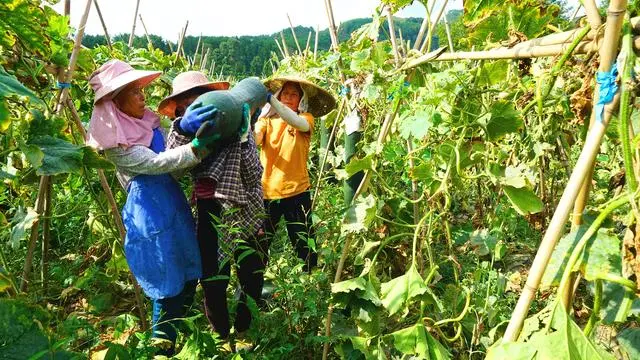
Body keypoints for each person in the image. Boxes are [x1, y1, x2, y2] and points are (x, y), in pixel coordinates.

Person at [86, 60, 219, 354]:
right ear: (115, 101)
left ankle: (177, 337)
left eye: (139, 90)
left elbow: (175, 156)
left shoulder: (147, 122)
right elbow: (156, 164)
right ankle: (161, 349)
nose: (142, 96)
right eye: (133, 92)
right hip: (150, 215)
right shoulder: (116, 144)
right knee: (167, 284)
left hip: (172, 206)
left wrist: (190, 129)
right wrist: (198, 148)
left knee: (188, 275)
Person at [162, 72, 267, 348]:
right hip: (210, 210)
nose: (192, 107)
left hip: (247, 206)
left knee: (252, 270)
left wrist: (244, 138)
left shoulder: (236, 129)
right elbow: (175, 165)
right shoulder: (180, 131)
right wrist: (185, 129)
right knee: (213, 277)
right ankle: (221, 333)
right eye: (184, 105)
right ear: (181, 110)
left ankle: (245, 328)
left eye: (196, 99)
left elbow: (254, 174)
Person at [255, 76, 336, 273]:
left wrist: (271, 100)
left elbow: (297, 122)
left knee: (304, 244)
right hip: (267, 193)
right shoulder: (266, 120)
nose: (288, 98)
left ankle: (310, 281)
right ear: (279, 96)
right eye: (285, 94)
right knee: (258, 246)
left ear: (301, 99)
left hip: (297, 191)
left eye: (294, 94)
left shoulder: (305, 119)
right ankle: (250, 290)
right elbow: (255, 139)